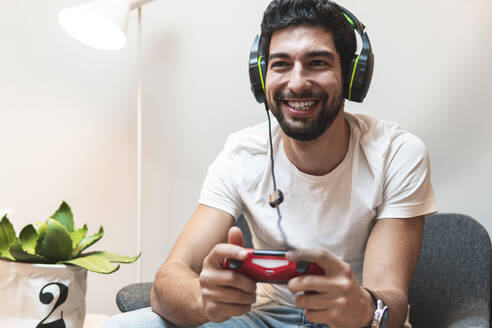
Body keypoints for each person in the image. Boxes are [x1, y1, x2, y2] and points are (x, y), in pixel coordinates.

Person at [103, 0, 436, 327]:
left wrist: (362, 307)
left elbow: (391, 296)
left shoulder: (397, 153)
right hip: (265, 317)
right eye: (281, 64)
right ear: (261, 77)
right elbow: (168, 281)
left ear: (351, 75)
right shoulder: (242, 155)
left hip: (352, 322)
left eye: (317, 62)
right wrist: (204, 299)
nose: (296, 82)